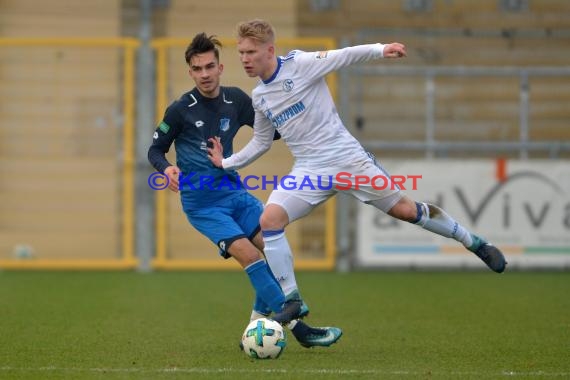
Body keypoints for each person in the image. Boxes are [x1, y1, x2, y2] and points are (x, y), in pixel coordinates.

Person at [208, 19, 507, 275]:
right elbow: (261, 141)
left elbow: (345, 55)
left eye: (251, 52)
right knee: (269, 220)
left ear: (269, 50)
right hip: (309, 170)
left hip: (348, 160)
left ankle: (475, 243)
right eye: (241, 53)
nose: (245, 59)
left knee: (406, 210)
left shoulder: (300, 65)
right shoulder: (259, 96)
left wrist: (381, 50)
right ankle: (292, 301)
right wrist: (227, 163)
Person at [147, 32, 342, 348]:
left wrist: (300, 112)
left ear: (220, 68)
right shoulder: (180, 109)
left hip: (235, 194)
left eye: (210, 66)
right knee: (249, 254)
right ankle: (301, 331)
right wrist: (166, 168)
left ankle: (254, 326)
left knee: (272, 246)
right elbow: (155, 150)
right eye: (198, 69)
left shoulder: (236, 100)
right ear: (190, 72)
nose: (205, 74)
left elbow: (272, 132)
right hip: (202, 205)